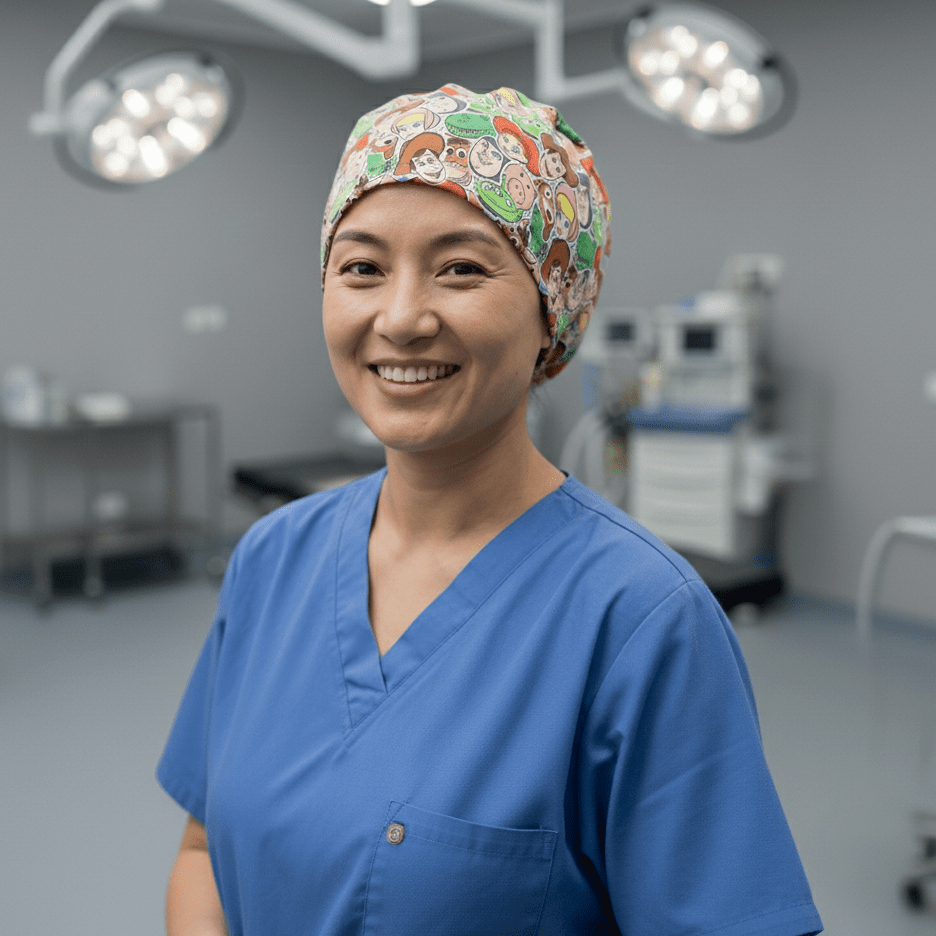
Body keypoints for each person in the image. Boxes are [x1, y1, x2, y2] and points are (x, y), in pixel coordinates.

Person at [158, 83, 823, 936]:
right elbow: (202, 852)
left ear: (554, 307)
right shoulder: (271, 557)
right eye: (361, 266)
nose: (400, 318)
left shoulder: (641, 623)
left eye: (462, 268)